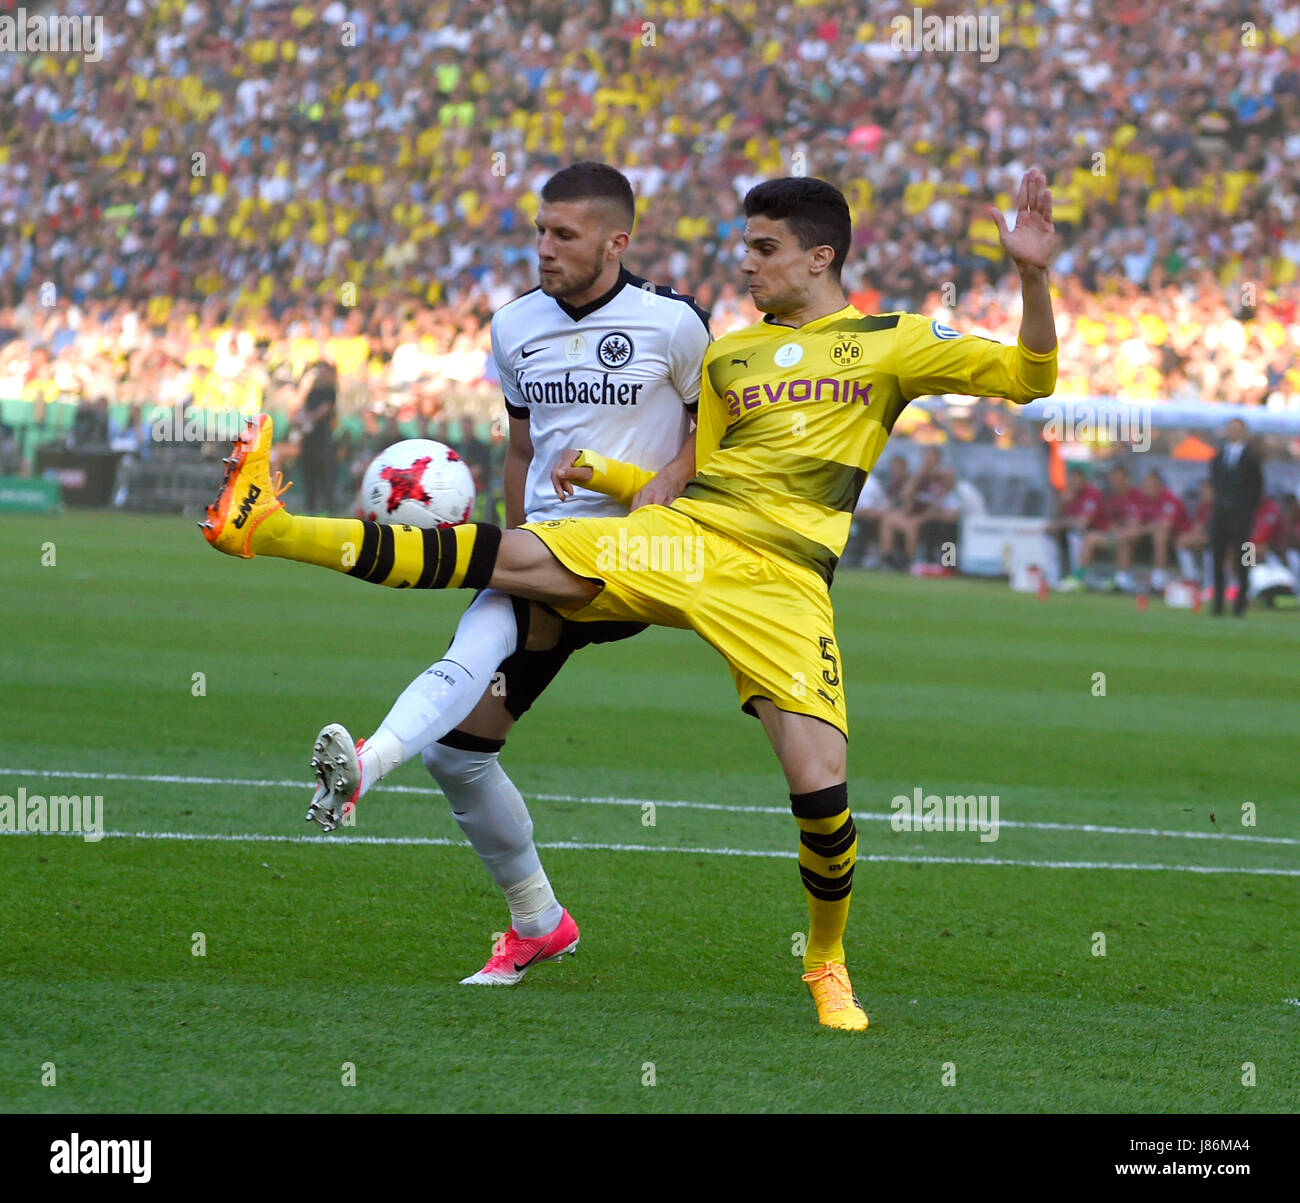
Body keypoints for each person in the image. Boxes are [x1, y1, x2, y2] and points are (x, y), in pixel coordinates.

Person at [201, 169, 1059, 1031]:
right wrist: (609, 477)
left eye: (765, 249)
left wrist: (1030, 275)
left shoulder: (893, 340)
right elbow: (690, 477)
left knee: (820, 787)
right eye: (745, 246)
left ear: (819, 256)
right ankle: (266, 528)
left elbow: (1030, 376)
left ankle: (826, 961)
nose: (747, 265)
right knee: (512, 559)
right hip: (686, 540)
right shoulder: (731, 354)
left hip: (785, 580)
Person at [304, 163, 707, 985]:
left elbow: (718, 430)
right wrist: (518, 539)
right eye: (539, 231)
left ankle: (368, 765)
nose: (544, 248)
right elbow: (523, 446)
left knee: (483, 618)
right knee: (460, 758)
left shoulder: (675, 324)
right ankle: (538, 921)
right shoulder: (515, 325)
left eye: (564, 234)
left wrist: (667, 481)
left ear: (615, 240)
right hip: (548, 550)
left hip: (635, 558)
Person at [1209, 417, 1262, 616]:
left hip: (1241, 517)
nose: (1234, 432)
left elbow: (1257, 488)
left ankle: (1240, 603)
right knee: (1217, 558)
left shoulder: (1251, 458)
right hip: (1220, 515)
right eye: (1231, 429)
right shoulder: (1219, 455)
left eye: (1237, 429)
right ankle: (1218, 603)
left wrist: (1247, 510)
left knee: (1244, 559)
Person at [1048, 466, 1104, 590]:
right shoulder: (1068, 495)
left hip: (1095, 532)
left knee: (1075, 536)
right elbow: (1057, 519)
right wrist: (1061, 503)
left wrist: (1062, 523)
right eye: (1072, 480)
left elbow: (1084, 522)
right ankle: (1052, 576)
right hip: (1072, 530)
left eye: (1077, 479)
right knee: (1049, 534)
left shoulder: (1092, 493)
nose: (1075, 482)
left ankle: (1076, 577)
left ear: (1083, 480)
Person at [293, 361, 338, 513]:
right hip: (309, 439)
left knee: (324, 476)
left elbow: (323, 411)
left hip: (323, 439)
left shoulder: (330, 391)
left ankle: (328, 508)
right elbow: (302, 408)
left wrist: (307, 419)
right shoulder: (312, 391)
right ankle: (310, 508)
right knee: (309, 475)